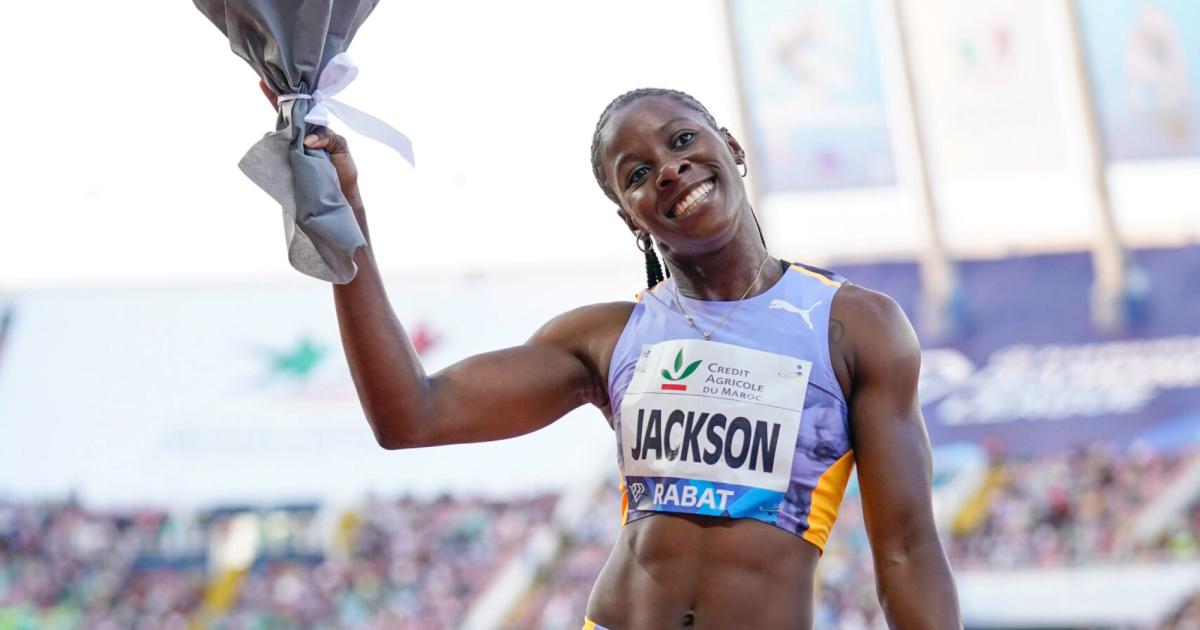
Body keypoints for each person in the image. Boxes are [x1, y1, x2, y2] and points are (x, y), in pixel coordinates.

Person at [260, 82, 961, 629]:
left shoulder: (853, 325)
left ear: (733, 149)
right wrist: (344, 220)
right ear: (629, 215)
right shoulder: (608, 338)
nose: (669, 169)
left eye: (683, 139)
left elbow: (906, 549)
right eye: (637, 172)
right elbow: (410, 416)